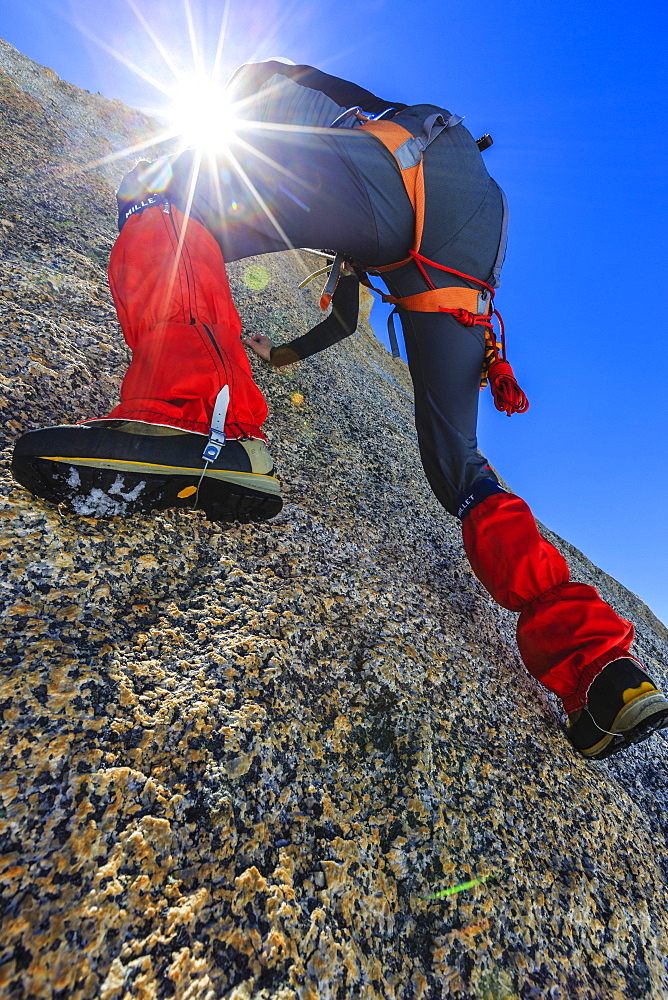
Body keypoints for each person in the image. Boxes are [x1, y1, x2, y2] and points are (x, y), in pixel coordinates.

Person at [11, 61, 668, 759]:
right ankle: (598, 669)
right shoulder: (376, 171)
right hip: (463, 244)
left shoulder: (294, 99)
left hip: (407, 165)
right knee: (459, 466)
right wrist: (282, 356)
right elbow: (348, 316)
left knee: (158, 186)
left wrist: (240, 95)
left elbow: (262, 109)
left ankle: (195, 421)